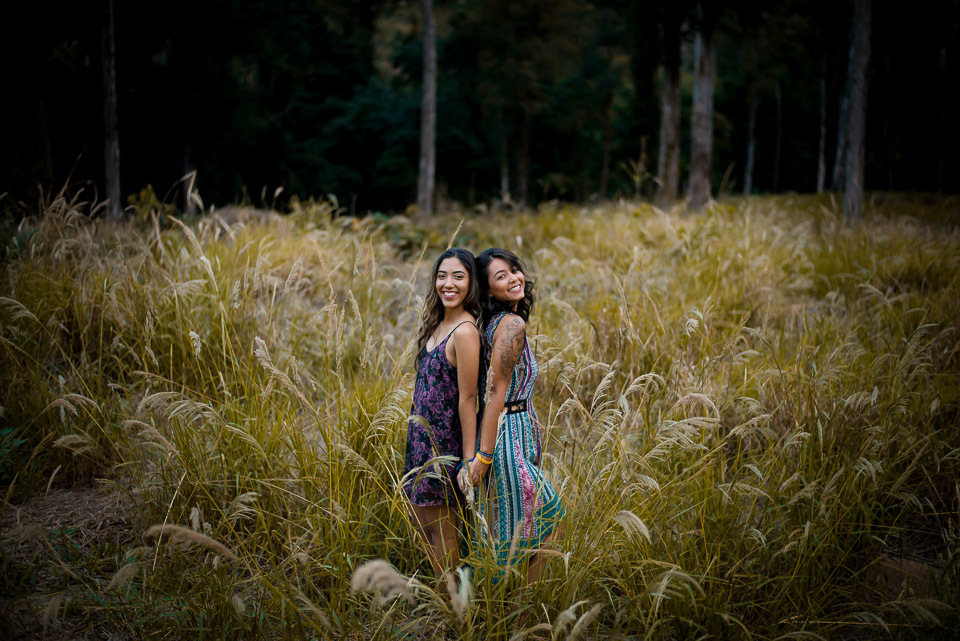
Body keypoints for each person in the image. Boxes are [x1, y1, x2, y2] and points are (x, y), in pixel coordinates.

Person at [468, 247, 565, 583]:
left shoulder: (495, 323)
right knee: (551, 520)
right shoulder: (511, 324)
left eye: (514, 269)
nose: (513, 278)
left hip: (511, 432)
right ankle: (524, 602)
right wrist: (485, 456)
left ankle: (509, 600)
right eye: (501, 276)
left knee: (516, 528)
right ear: (487, 290)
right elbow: (495, 392)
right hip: (505, 436)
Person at [403, 247, 482, 576]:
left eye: (458, 277)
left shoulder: (464, 331)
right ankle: (443, 598)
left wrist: (468, 459)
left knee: (442, 534)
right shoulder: (439, 323)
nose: (448, 284)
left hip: (443, 448)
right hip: (420, 444)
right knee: (424, 528)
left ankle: (449, 603)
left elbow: (468, 398)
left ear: (471, 283)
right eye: (442, 276)